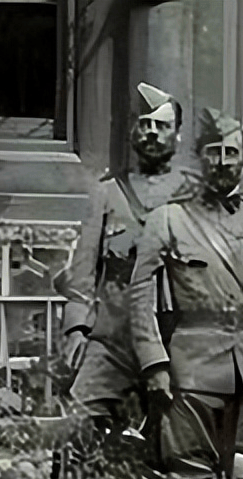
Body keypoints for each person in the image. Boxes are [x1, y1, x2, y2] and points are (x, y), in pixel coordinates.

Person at [130, 108, 243, 479]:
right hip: (190, 373)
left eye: (231, 152)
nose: (223, 161)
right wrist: (154, 363)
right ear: (198, 157)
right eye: (213, 151)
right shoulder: (169, 219)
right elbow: (140, 295)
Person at [53, 82, 196, 425]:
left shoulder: (194, 195)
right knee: (80, 419)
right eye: (144, 124)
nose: (152, 132)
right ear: (133, 132)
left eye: (162, 126)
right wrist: (77, 329)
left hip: (175, 342)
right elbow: (84, 272)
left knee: (181, 435)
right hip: (114, 338)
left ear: (178, 135)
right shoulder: (107, 193)